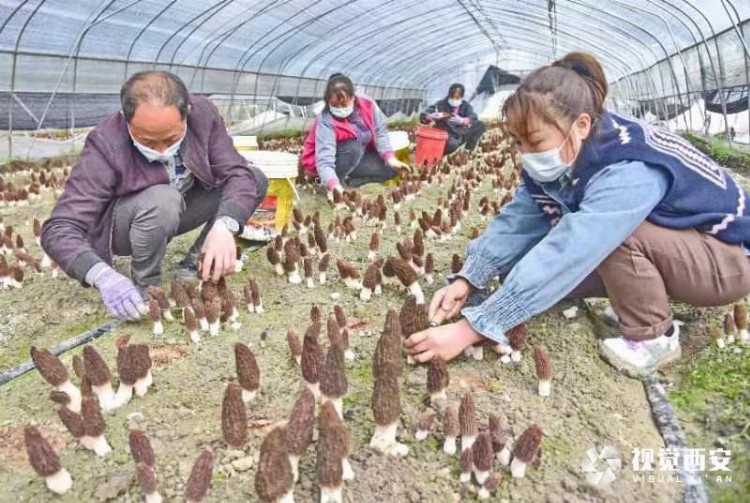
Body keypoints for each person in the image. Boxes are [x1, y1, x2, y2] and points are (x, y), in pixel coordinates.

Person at [406, 52, 750, 377]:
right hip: (678, 248)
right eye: (517, 142)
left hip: (727, 260)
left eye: (535, 141)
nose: (525, 154)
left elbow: (578, 245)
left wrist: (474, 328)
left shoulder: (629, 165)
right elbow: (519, 220)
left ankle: (654, 337)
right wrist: (470, 277)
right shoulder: (563, 155)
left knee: (615, 237)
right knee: (518, 267)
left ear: (581, 125)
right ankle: (636, 295)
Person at [41, 71, 268, 321]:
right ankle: (146, 286)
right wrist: (101, 276)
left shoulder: (203, 116)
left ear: (187, 111)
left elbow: (236, 172)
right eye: (147, 141)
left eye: (171, 139)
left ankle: (197, 263)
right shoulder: (106, 142)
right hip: (128, 223)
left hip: (178, 207)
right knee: (164, 199)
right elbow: (59, 228)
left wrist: (225, 225)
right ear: (125, 120)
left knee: (253, 179)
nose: (161, 150)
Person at [301, 73, 409, 198]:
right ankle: (332, 183)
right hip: (327, 164)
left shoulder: (367, 105)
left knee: (390, 170)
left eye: (344, 104)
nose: (340, 109)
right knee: (353, 147)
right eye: (334, 105)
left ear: (353, 97)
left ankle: (350, 181)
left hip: (355, 157)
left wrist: (390, 158)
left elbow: (380, 132)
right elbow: (324, 160)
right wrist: (333, 185)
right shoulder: (325, 120)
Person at [420, 83, 486, 155]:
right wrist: (429, 116)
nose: (454, 100)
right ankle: (440, 154)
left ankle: (468, 151)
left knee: (480, 125)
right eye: (452, 97)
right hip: (446, 135)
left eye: (457, 98)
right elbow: (424, 115)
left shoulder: (465, 105)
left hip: (461, 133)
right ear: (449, 95)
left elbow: (473, 116)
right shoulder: (440, 104)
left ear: (462, 97)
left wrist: (464, 120)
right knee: (452, 145)